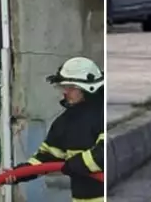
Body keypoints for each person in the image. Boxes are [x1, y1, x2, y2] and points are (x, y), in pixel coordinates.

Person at [15, 56, 104, 202]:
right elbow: (48, 157)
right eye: (63, 87)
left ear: (86, 87)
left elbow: (103, 154)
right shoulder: (65, 121)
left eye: (70, 87)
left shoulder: (102, 113)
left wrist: (77, 164)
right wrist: (24, 171)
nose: (64, 92)